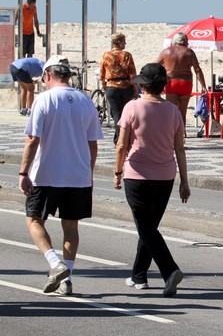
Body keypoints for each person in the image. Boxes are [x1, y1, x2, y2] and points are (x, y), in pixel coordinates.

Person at [18, 55, 103, 296]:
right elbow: (92, 144)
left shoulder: (44, 99)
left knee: (33, 219)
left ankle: (55, 264)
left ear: (47, 75)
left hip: (47, 173)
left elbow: (33, 139)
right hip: (78, 174)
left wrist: (24, 171)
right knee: (71, 227)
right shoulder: (85, 100)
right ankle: (67, 279)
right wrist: (89, 172)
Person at [114, 63, 189, 297]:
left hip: (137, 175)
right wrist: (184, 181)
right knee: (149, 227)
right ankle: (139, 275)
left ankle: (170, 270)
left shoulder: (132, 107)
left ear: (143, 86)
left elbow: (121, 145)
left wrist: (117, 173)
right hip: (166, 176)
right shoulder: (173, 111)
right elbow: (180, 149)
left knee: (146, 228)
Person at [156, 32, 207, 132]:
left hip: (171, 83)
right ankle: (183, 135)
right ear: (185, 42)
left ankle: (171, 135)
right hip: (186, 83)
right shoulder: (189, 52)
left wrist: (159, 82)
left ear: (174, 42)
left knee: (171, 112)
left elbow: (155, 66)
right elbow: (197, 70)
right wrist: (203, 86)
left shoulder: (166, 52)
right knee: (182, 112)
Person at [99, 33, 138, 145]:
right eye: (124, 41)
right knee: (127, 114)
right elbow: (132, 74)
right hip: (126, 86)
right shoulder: (127, 55)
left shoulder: (106, 55)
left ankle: (118, 140)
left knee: (116, 114)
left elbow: (102, 72)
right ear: (119, 42)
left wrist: (103, 85)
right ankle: (123, 139)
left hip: (112, 86)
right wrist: (135, 89)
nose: (125, 43)